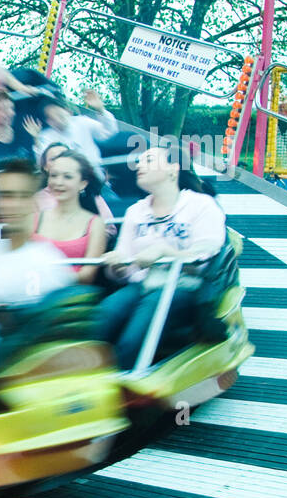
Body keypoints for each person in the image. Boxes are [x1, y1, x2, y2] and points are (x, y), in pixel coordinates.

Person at [95, 144, 227, 369]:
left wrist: (166, 252)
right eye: (140, 161)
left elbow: (207, 254)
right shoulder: (135, 212)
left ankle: (124, 384)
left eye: (148, 160)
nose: (139, 165)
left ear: (172, 169)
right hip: (143, 285)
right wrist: (116, 265)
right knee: (101, 318)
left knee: (135, 335)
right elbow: (125, 265)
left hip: (182, 286)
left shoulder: (201, 205)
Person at [0, 159, 74, 305]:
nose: (14, 204)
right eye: (6, 196)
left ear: (32, 202)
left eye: (23, 196)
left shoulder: (47, 261)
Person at [33, 150, 107, 284]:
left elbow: (87, 276)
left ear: (83, 184)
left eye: (67, 177)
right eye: (54, 175)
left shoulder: (95, 224)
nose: (58, 182)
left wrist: (47, 277)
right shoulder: (34, 219)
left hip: (72, 298)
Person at [23, 89, 118, 167]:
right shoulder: (46, 136)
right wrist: (35, 138)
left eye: (58, 114)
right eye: (52, 118)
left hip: (95, 178)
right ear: (48, 121)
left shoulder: (82, 122)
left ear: (67, 111)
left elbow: (109, 132)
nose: (57, 120)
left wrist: (100, 109)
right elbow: (42, 164)